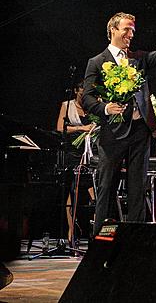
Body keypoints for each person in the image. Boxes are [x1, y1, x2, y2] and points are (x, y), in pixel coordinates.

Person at [82, 11, 156, 235]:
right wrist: (105, 108)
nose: (131, 34)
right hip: (112, 134)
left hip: (139, 132)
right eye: (126, 29)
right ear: (113, 30)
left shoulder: (138, 58)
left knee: (137, 188)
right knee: (107, 187)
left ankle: (134, 239)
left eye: (133, 29)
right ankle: (103, 239)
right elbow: (87, 97)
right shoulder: (97, 62)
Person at [56, 81, 97, 244]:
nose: (84, 94)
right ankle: (71, 231)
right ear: (76, 91)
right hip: (73, 151)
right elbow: (60, 128)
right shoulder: (67, 105)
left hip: (91, 152)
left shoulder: (95, 104)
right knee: (73, 191)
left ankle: (95, 230)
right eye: (82, 90)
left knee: (94, 189)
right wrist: (81, 128)